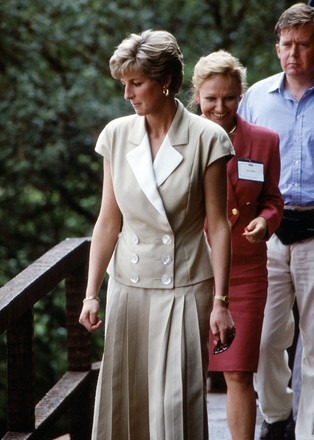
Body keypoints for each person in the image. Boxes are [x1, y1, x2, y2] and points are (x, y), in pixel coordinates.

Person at [79, 29, 236, 440]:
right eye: (124, 84)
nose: (127, 94)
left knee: (178, 401)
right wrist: (92, 292)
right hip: (129, 287)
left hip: (186, 284)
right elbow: (108, 221)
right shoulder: (116, 135)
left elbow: (218, 225)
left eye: (136, 83)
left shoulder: (207, 138)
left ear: (165, 80)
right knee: (126, 397)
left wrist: (221, 301)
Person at [190, 50, 283, 440]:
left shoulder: (263, 141)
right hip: (193, 266)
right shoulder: (180, 140)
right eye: (211, 97)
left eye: (228, 97)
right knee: (186, 370)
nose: (219, 106)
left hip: (246, 272)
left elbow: (273, 200)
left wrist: (266, 221)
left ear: (241, 95)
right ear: (196, 95)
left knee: (238, 370)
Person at [238, 3, 314, 440]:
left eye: (303, 45)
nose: (293, 54)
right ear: (277, 46)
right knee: (266, 338)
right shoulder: (257, 98)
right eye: (286, 44)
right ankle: (277, 416)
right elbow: (238, 159)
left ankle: (308, 431)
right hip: (266, 231)